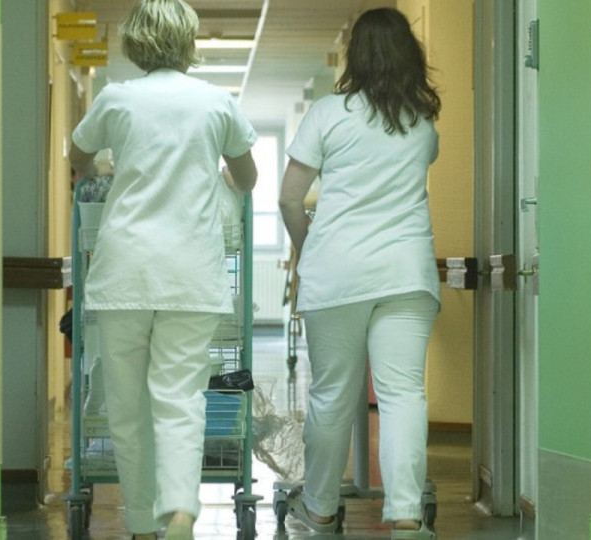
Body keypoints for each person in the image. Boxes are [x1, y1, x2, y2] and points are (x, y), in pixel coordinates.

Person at [68, 0, 258, 538]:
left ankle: (143, 525)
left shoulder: (117, 99)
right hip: (190, 276)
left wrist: (109, 164)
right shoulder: (215, 103)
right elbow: (247, 176)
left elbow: (77, 157)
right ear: (189, 42)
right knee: (179, 400)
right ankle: (179, 509)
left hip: (125, 271)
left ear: (135, 43)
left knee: (127, 411)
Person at [278, 7, 441, 540]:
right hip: (405, 274)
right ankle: (405, 514)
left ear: (356, 54)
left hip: (337, 274)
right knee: (403, 395)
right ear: (407, 55)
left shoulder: (328, 113)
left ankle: (320, 510)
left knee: (331, 397)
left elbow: (289, 198)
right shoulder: (423, 125)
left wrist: (308, 247)